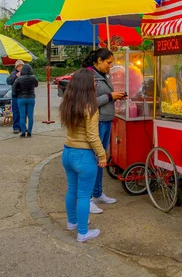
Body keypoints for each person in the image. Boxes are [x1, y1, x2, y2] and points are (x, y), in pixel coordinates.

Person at [59, 69, 107, 243]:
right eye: (93, 81)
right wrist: (102, 155)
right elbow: (92, 136)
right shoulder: (91, 107)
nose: (96, 84)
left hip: (67, 152)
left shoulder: (68, 104)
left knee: (72, 190)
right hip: (84, 156)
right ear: (87, 85)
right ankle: (83, 232)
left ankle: (72, 222)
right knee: (84, 195)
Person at [81, 48, 126, 214]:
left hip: (106, 121)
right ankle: (89, 198)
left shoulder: (103, 76)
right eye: (108, 62)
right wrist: (110, 97)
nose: (110, 66)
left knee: (102, 159)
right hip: (97, 122)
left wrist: (116, 96)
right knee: (94, 159)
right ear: (99, 61)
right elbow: (88, 101)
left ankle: (98, 192)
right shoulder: (89, 76)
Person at [12, 64, 38, 137]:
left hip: (21, 98)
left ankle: (23, 132)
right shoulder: (33, 77)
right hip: (31, 98)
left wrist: (17, 94)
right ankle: (29, 132)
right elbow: (36, 85)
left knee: (22, 116)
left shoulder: (19, 78)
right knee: (30, 116)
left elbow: (14, 88)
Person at [6, 60, 24, 134]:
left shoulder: (25, 73)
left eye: (22, 66)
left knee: (23, 112)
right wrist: (16, 76)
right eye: (19, 66)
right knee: (16, 111)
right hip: (15, 95)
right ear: (16, 67)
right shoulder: (13, 73)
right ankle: (16, 127)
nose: (20, 68)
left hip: (23, 95)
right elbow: (9, 81)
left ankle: (22, 126)